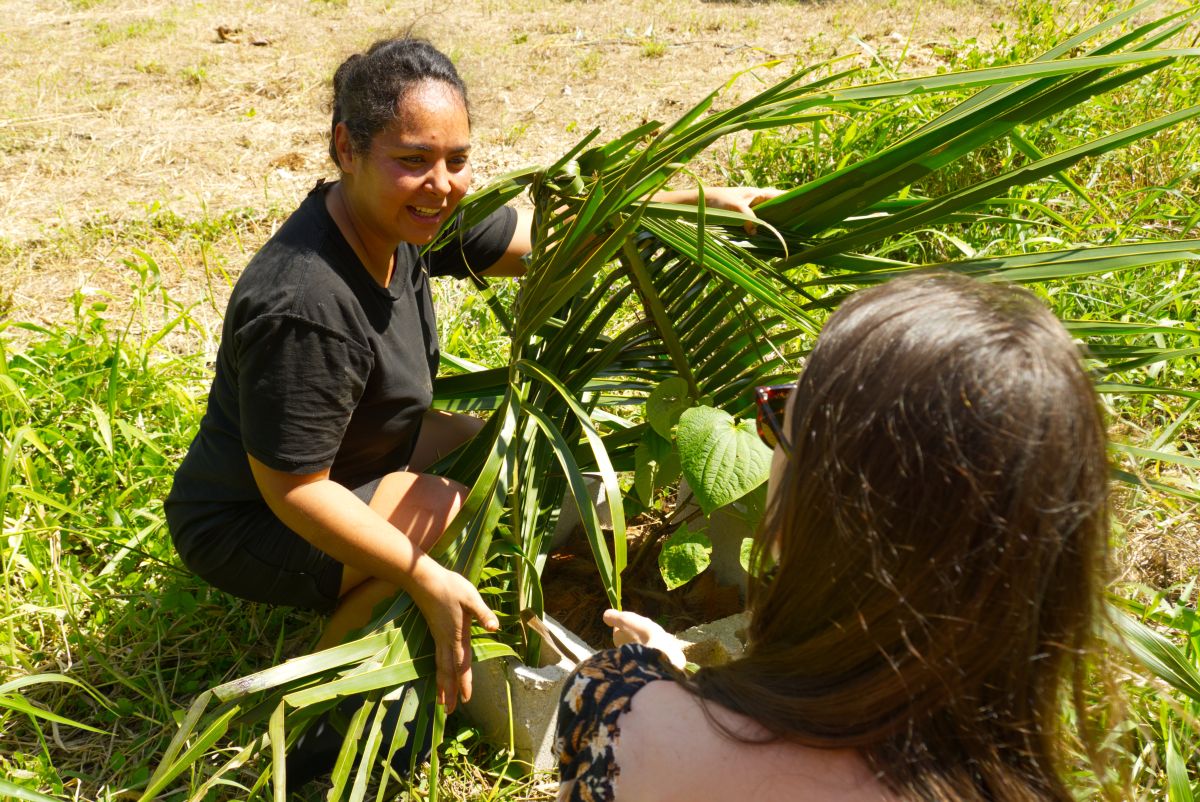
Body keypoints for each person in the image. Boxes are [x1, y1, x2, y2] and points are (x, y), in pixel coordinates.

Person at [164, 35, 778, 727]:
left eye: (457, 160)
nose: (444, 183)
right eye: (414, 160)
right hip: (254, 519)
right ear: (346, 148)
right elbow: (294, 490)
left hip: (359, 454)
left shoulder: (408, 220)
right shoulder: (306, 304)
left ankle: (424, 585)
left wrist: (696, 204)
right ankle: (321, 704)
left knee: (517, 463)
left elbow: (545, 232)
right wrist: (425, 576)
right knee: (454, 511)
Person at [555, 272, 1114, 801]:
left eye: (778, 421)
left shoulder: (615, 709)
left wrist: (656, 688)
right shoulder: (1014, 781)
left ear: (821, 503)